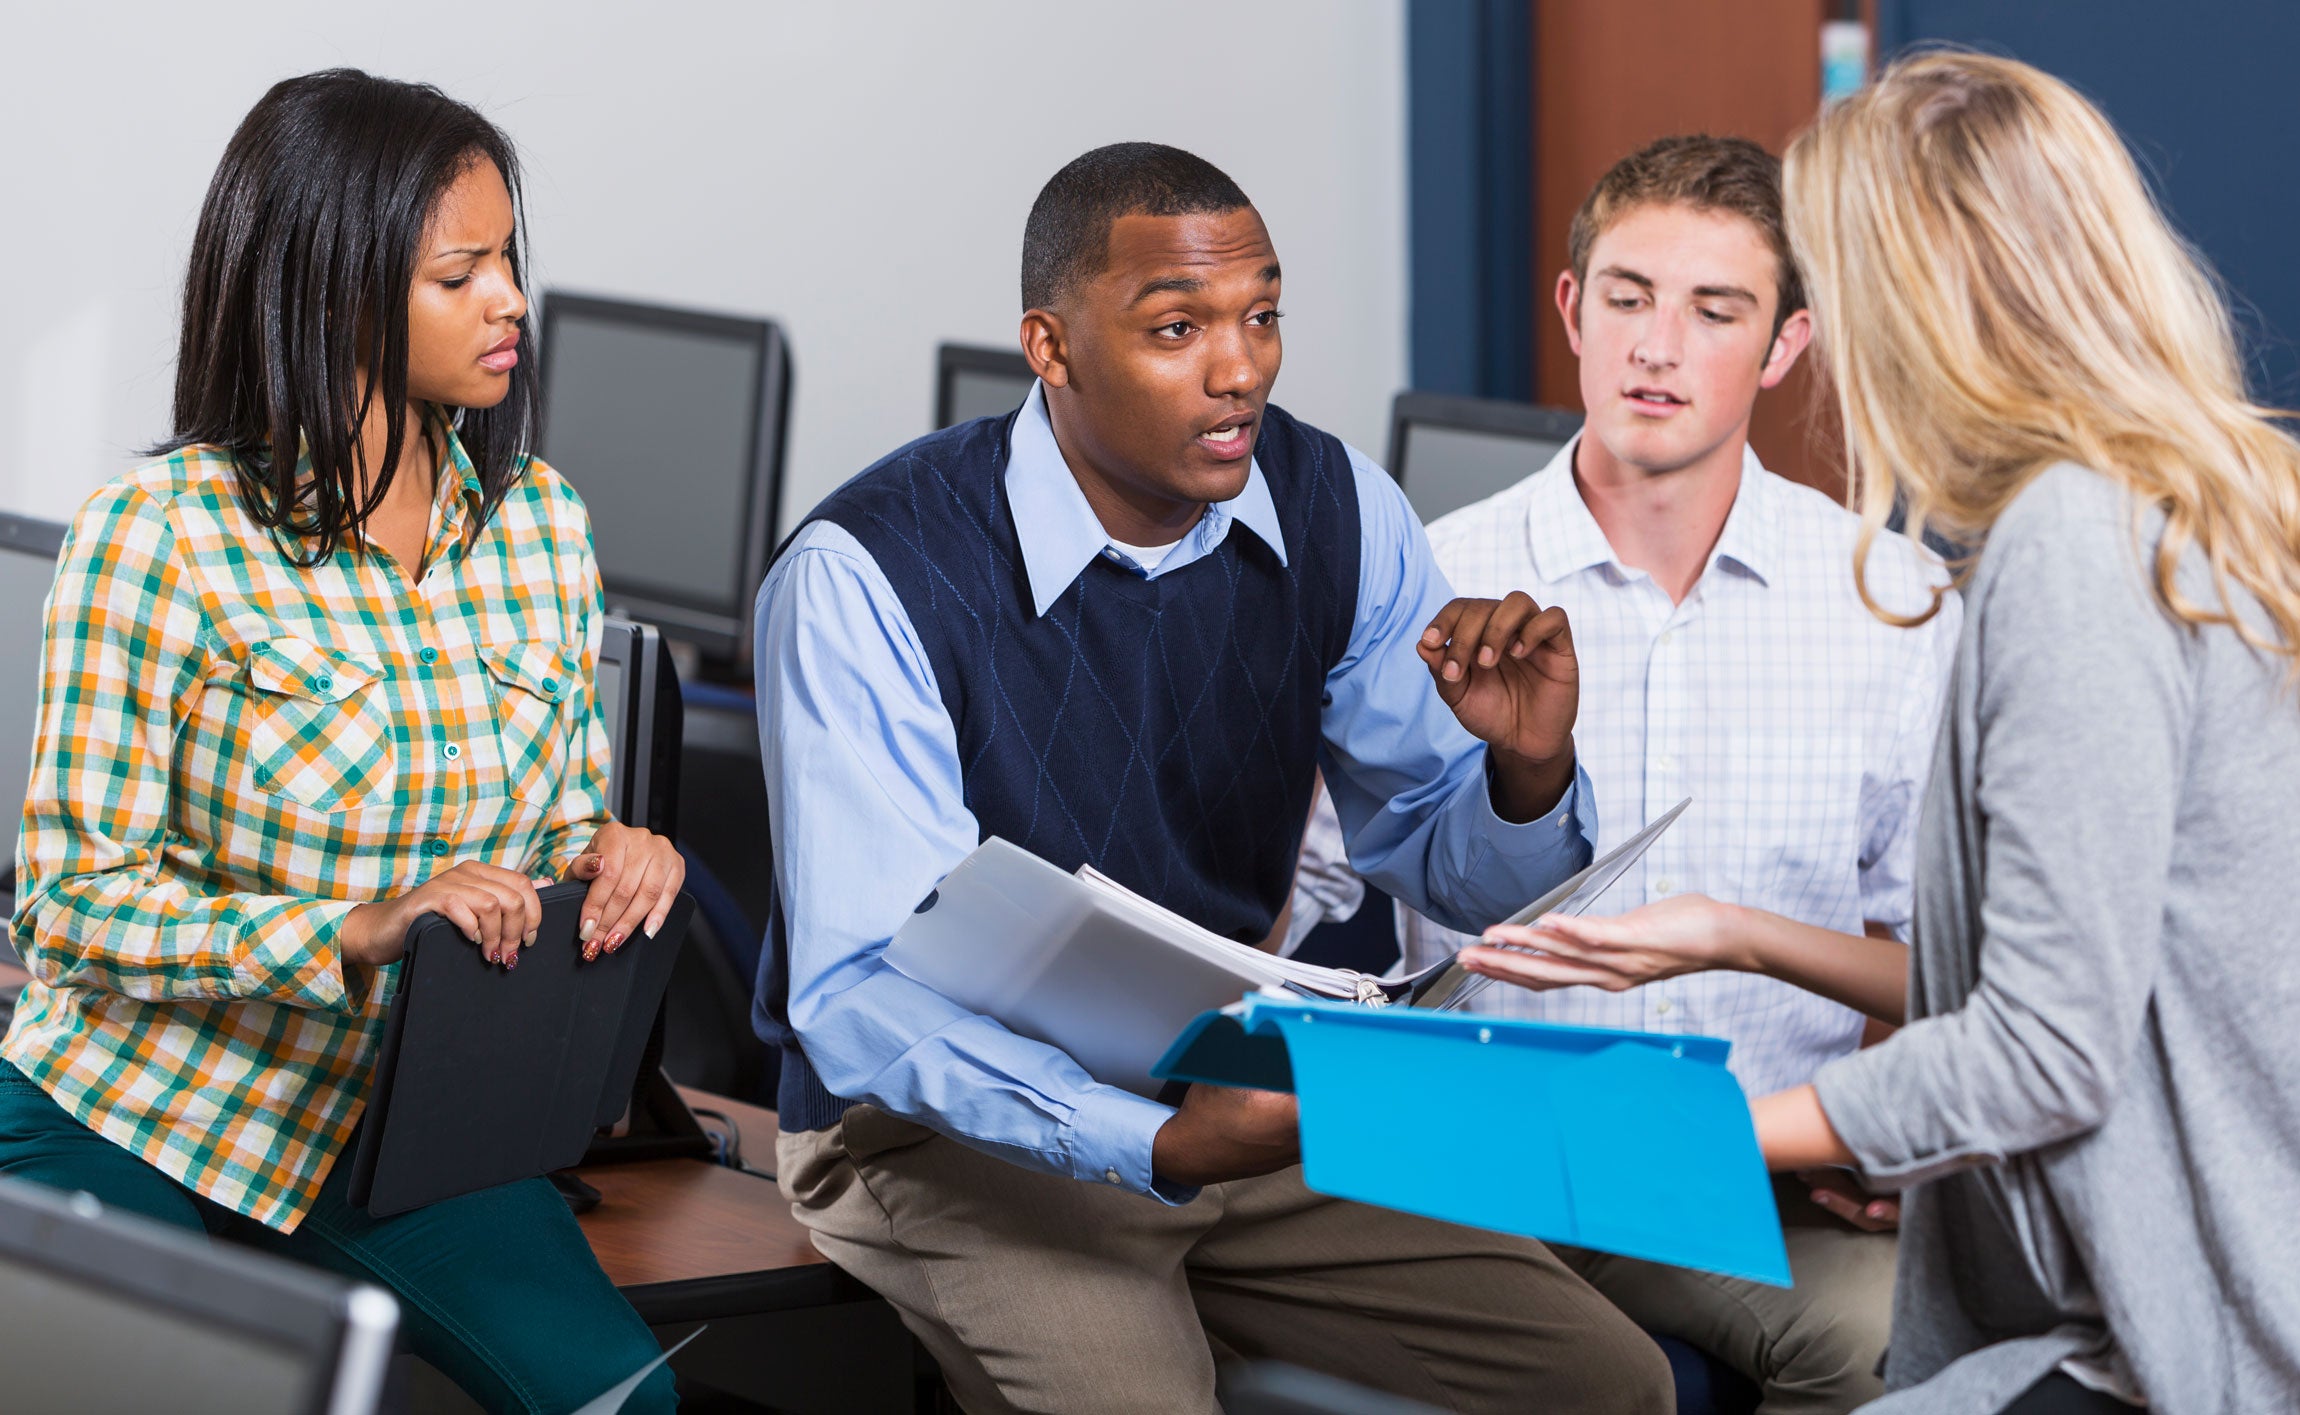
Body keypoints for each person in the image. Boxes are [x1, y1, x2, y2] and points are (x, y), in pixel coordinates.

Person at [753, 142, 1673, 1413]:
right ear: (1050, 346)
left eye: (1259, 316)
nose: (1238, 367)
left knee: (1603, 1385)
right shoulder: (867, 572)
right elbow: (861, 993)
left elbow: (1436, 857)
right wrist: (1151, 1142)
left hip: (1227, 1085)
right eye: (1177, 326)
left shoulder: (1334, 502)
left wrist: (1523, 769)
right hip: (940, 1122)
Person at [1465, 52, 2300, 1414]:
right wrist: (1737, 929)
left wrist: (1685, 1138)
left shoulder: (2070, 549)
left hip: (2185, 1316)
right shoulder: (2222, 497)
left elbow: (2041, 1044)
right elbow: (2087, 970)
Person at [0, 70, 684, 1413]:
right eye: (460, 274)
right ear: (336, 291)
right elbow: (69, 908)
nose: (511, 304)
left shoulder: (543, 525)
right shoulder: (162, 537)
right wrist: (357, 927)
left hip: (400, 1138)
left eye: (508, 262)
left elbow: (544, 823)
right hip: (151, 1110)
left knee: (621, 1402)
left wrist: (609, 855)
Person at [1290, 134, 1959, 1414]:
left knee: (1902, 1340)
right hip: (1470, 1170)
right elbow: (1281, 908)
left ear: (1782, 347)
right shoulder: (1428, 579)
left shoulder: (1894, 606)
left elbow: (1958, 974)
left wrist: (1903, 1129)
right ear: (1570, 311)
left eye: (1713, 312)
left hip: (1739, 1174)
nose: (1656, 346)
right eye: (1626, 299)